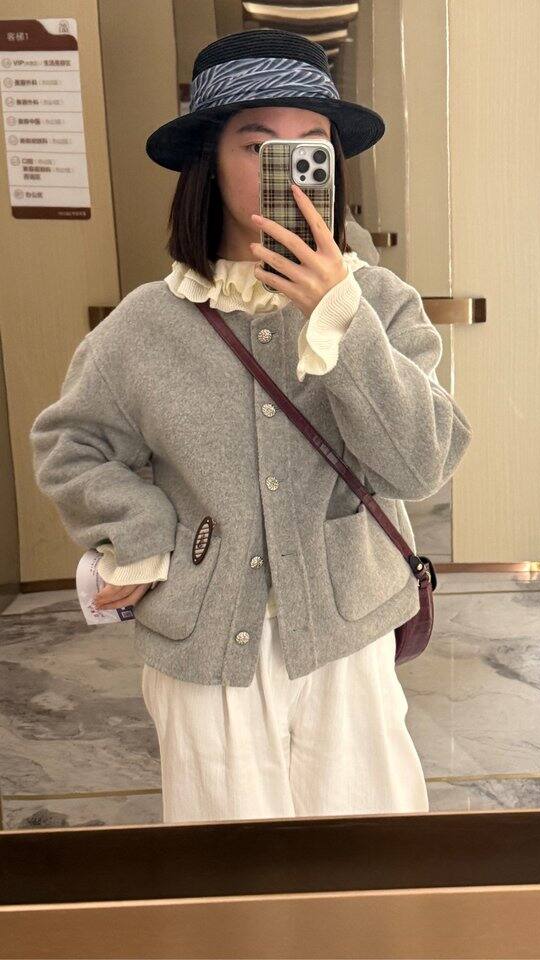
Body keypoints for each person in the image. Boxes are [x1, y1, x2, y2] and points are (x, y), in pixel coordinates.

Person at [29, 29, 474, 824]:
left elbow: (420, 463)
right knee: (226, 869)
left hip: (346, 635)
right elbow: (72, 445)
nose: (291, 166)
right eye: (260, 144)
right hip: (204, 648)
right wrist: (142, 530)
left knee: (366, 859)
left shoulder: (381, 304)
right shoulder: (147, 324)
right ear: (208, 160)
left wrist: (340, 319)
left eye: (312, 145)